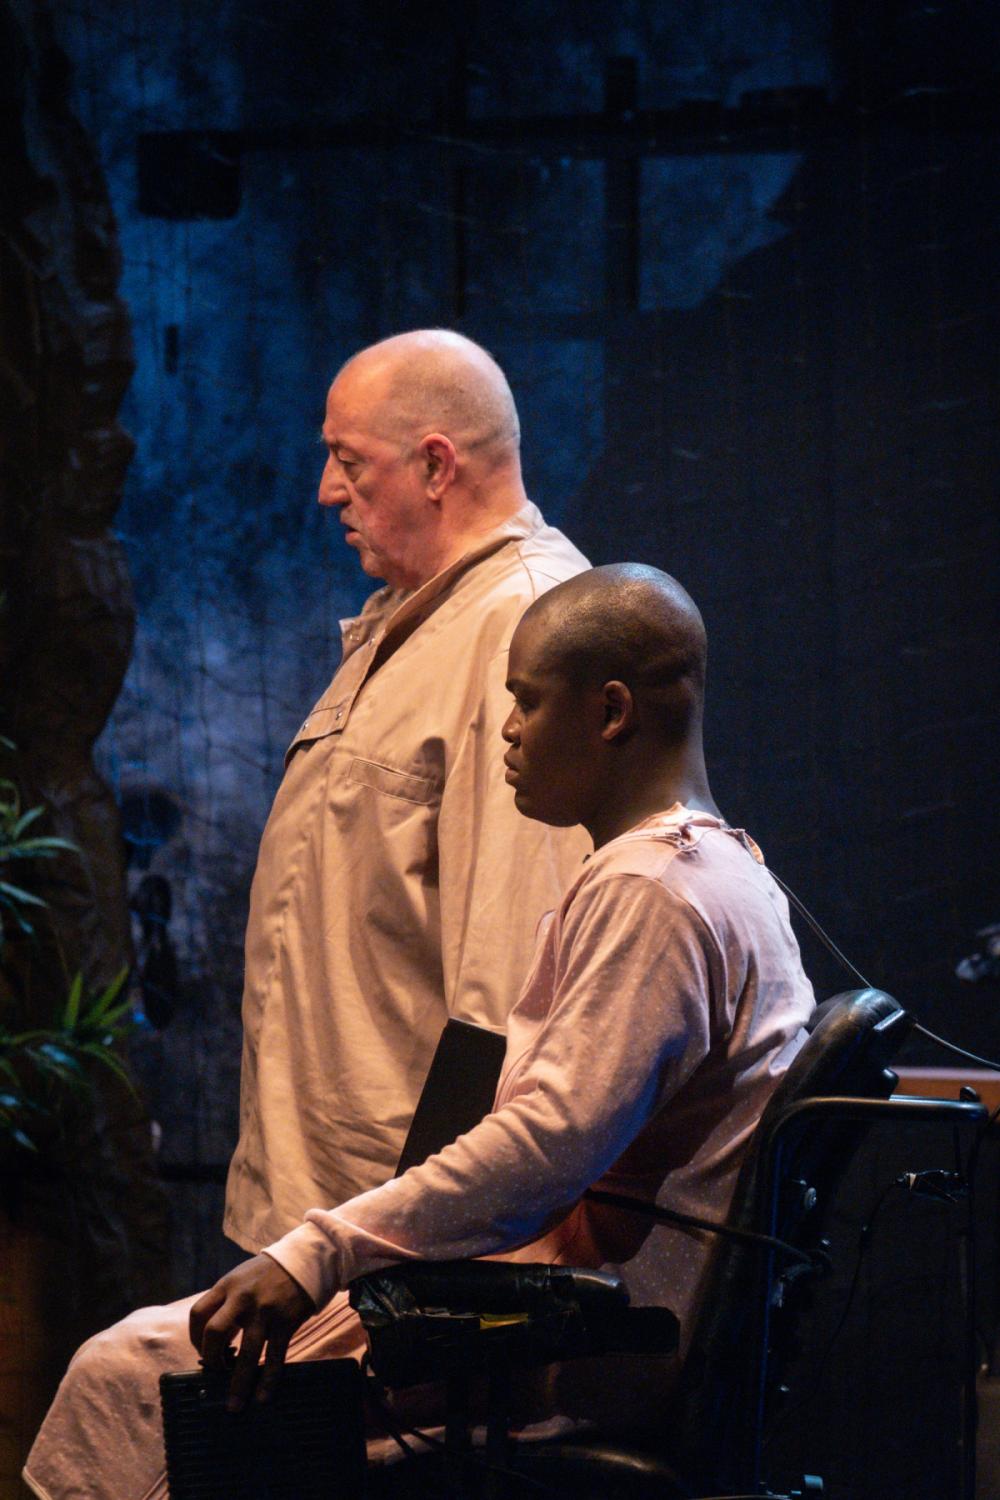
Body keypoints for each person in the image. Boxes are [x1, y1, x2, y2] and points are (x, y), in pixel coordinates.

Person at [24, 565, 815, 1500]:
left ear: (610, 712)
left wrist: (318, 1250)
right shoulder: (729, 872)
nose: (509, 729)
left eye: (527, 701)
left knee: (123, 1375)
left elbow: (544, 1146)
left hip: (572, 1345)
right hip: (589, 1317)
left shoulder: (653, 893)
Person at [223, 328, 590, 1252]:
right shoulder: (422, 615)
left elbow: (510, 998)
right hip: (320, 1217)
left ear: (435, 465)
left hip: (391, 1241)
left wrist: (432, 1264)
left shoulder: (521, 627)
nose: (326, 491)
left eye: (349, 462)